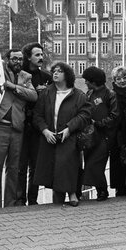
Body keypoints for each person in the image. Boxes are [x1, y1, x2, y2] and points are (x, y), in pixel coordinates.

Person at [33, 62, 91, 206]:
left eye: (59, 71)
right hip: (50, 138)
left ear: (67, 75)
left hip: (69, 138)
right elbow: (37, 115)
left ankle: (72, 194)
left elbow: (84, 115)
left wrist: (69, 128)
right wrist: (45, 130)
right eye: (54, 71)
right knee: (53, 170)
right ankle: (59, 203)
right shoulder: (46, 93)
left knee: (69, 167)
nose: (55, 74)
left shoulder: (78, 95)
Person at [0, 49, 37, 208]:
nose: (18, 62)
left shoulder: (25, 76)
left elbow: (33, 95)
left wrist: (13, 87)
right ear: (7, 59)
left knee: (14, 168)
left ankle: (10, 204)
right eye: (14, 59)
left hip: (17, 126)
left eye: (21, 59)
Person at [17, 42, 52, 205]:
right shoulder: (18, 75)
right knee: (20, 164)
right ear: (28, 57)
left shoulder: (46, 77)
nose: (41, 58)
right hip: (21, 125)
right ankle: (19, 199)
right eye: (37, 55)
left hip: (38, 126)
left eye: (42, 54)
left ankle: (32, 199)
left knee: (35, 165)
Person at [81, 66, 117, 201]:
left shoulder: (110, 95)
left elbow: (114, 116)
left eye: (87, 80)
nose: (85, 82)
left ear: (93, 81)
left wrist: (99, 123)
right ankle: (100, 191)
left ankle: (103, 191)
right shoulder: (88, 95)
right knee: (90, 162)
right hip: (90, 137)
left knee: (94, 165)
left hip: (105, 137)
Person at [109, 66, 126, 196]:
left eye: (125, 77)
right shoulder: (112, 95)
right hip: (118, 135)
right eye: (119, 79)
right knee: (119, 164)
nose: (123, 81)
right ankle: (121, 192)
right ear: (114, 80)